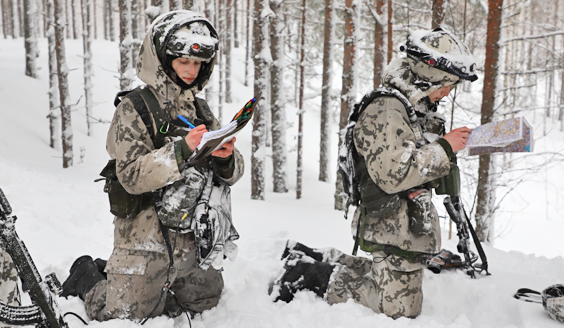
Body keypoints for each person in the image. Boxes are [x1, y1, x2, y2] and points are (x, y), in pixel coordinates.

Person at [270, 27, 477, 319]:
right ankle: (309, 275)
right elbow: (393, 174)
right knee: (401, 308)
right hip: (388, 222)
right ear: (426, 77)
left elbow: (412, 152)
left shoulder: (414, 106)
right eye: (445, 85)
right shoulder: (387, 108)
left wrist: (447, 146)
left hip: (404, 221)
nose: (446, 93)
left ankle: (315, 256)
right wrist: (445, 147)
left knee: (399, 284)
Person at [61, 10, 244, 321]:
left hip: (195, 242)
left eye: (197, 63)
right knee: (121, 316)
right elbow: (130, 175)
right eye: (183, 61)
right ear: (162, 58)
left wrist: (226, 158)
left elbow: (233, 174)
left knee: (207, 306)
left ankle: (143, 282)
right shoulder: (135, 107)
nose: (191, 70)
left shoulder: (200, 109)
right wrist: (181, 151)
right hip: (144, 243)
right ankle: (88, 276)